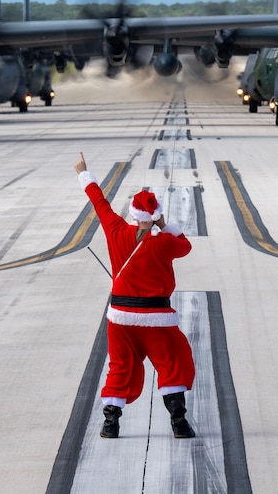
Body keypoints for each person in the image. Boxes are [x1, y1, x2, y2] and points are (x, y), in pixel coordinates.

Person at [73, 152, 196, 439]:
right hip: (157, 319)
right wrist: (164, 224)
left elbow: (99, 202)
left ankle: (110, 424)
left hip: (120, 317)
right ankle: (179, 423)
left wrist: (84, 173)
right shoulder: (165, 242)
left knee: (119, 366)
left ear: (132, 213)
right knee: (172, 363)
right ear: (153, 216)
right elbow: (185, 245)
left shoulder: (116, 230)